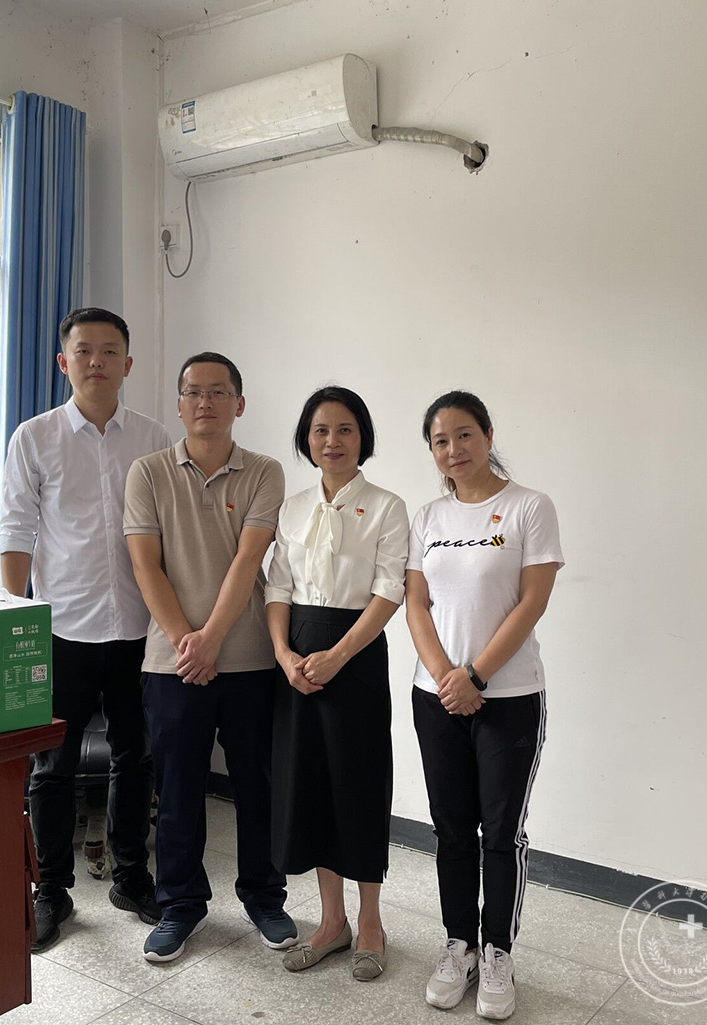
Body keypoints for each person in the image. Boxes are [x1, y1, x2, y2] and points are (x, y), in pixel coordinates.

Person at [0, 307, 171, 953]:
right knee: (52, 766)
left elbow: (168, 533)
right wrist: (13, 619)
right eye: (83, 350)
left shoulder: (153, 438)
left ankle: (131, 877)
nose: (96, 360)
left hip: (138, 626)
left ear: (128, 363)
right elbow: (15, 529)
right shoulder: (35, 437)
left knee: (136, 757)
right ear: (63, 362)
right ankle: (52, 890)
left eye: (110, 350)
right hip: (60, 628)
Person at [123, 352, 296, 963]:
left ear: (239, 404)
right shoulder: (147, 472)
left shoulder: (265, 471)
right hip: (172, 664)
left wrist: (211, 639)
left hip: (249, 659)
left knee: (257, 785)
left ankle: (264, 897)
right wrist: (187, 642)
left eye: (219, 392)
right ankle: (180, 905)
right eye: (194, 392)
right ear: (179, 403)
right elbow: (145, 565)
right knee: (177, 789)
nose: (206, 402)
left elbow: (250, 559)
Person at [404, 391, 564, 1020]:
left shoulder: (529, 507)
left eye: (464, 435)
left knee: (501, 832)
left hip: (510, 698)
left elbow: (532, 602)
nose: (454, 450)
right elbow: (417, 605)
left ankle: (498, 951)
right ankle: (459, 946)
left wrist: (475, 675)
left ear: (488, 435)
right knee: (450, 830)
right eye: (440, 441)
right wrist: (447, 677)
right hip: (435, 697)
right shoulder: (428, 517)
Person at [266, 386, 409, 982]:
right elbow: (277, 586)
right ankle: (332, 922)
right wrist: (284, 655)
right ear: (307, 439)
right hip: (298, 658)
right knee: (313, 785)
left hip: (356, 656)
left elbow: (390, 590)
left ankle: (371, 922)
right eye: (321, 430)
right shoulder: (293, 507)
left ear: (362, 437)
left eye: (345, 429)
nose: (333, 440)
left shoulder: (387, 506)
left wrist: (339, 656)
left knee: (359, 784)